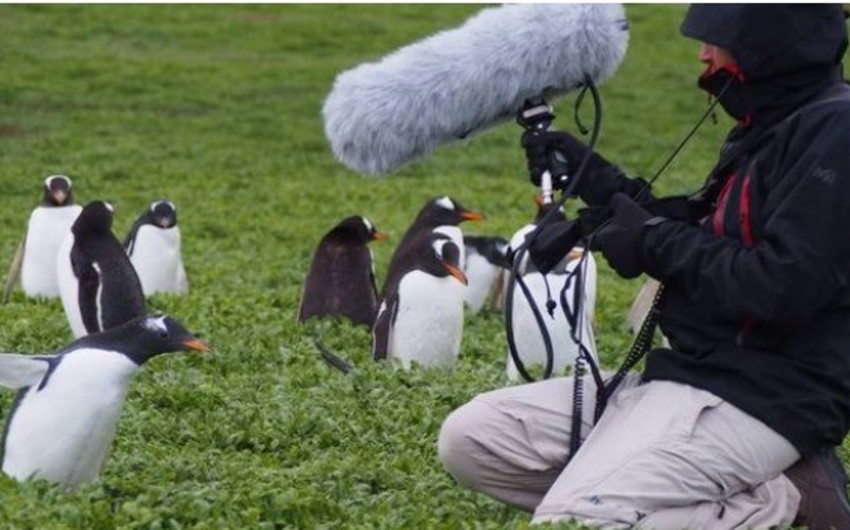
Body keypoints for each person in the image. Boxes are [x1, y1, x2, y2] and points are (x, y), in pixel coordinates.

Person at [437, 5, 850, 529]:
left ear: (769, 42)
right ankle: (752, 493)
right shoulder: (770, 123)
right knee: (472, 441)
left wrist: (651, 240)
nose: (703, 53)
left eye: (716, 40)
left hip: (767, 400)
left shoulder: (836, 130)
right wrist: (600, 185)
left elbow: (783, 285)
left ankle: (783, 502)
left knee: (571, 523)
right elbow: (706, 233)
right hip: (689, 378)